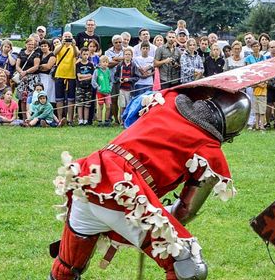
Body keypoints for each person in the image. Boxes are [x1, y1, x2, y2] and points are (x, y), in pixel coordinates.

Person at [48, 87, 250, 280]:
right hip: (122, 194)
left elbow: (134, 118)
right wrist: (160, 213)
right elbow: (184, 212)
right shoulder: (209, 150)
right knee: (189, 267)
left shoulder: (168, 101)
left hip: (88, 178)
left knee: (67, 266)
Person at [53, 32, 79, 124]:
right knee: (59, 98)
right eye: (66, 37)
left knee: (71, 99)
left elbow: (77, 55)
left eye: (69, 37)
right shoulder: (59, 46)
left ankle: (70, 120)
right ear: (62, 38)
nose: (67, 38)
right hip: (60, 75)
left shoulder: (74, 47)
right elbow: (55, 53)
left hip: (71, 75)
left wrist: (74, 45)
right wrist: (62, 43)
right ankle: (60, 119)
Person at [16, 38, 41, 120]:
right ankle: (23, 118)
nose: (31, 46)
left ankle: (31, 117)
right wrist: (22, 73)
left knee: (32, 98)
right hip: (22, 78)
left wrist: (26, 72)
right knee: (23, 98)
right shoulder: (21, 53)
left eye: (32, 44)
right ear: (26, 44)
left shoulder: (36, 54)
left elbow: (36, 66)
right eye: (29, 44)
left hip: (33, 78)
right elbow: (17, 65)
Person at [105, 35, 125, 124]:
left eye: (120, 42)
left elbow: (129, 59)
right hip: (111, 78)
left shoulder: (126, 50)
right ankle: (115, 119)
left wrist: (115, 59)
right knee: (113, 100)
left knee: (123, 100)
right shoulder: (107, 52)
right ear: (113, 43)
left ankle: (122, 119)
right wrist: (122, 60)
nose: (118, 44)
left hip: (123, 78)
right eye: (116, 42)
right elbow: (108, 64)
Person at [115, 48, 137, 124]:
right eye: (126, 54)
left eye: (129, 54)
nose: (127, 56)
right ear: (123, 55)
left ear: (132, 56)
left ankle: (127, 120)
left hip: (130, 89)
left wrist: (129, 79)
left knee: (128, 105)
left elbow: (136, 77)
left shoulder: (133, 65)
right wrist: (119, 79)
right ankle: (121, 120)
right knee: (122, 105)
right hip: (121, 89)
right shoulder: (120, 65)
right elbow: (115, 77)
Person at [92, 55, 114, 126]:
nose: (105, 63)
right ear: (100, 63)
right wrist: (98, 87)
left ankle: (107, 120)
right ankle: (100, 121)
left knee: (108, 107)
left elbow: (111, 81)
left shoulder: (108, 71)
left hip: (107, 92)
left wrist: (110, 87)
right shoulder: (97, 71)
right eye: (103, 62)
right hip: (100, 92)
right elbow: (93, 81)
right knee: (100, 106)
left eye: (106, 62)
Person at [75, 48, 95, 126]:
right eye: (84, 54)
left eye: (87, 54)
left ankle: (86, 120)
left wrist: (85, 77)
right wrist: (88, 76)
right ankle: (80, 120)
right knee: (80, 104)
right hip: (80, 87)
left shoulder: (91, 64)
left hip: (88, 87)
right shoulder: (78, 65)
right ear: (81, 54)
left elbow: (92, 76)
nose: (85, 56)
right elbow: (79, 76)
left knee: (87, 104)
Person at [37, 39, 57, 104]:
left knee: (47, 94)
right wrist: (42, 66)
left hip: (48, 78)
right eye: (42, 46)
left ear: (48, 47)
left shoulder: (52, 55)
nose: (43, 47)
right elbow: (36, 66)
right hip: (40, 77)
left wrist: (40, 66)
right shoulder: (40, 55)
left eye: (45, 46)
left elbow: (48, 66)